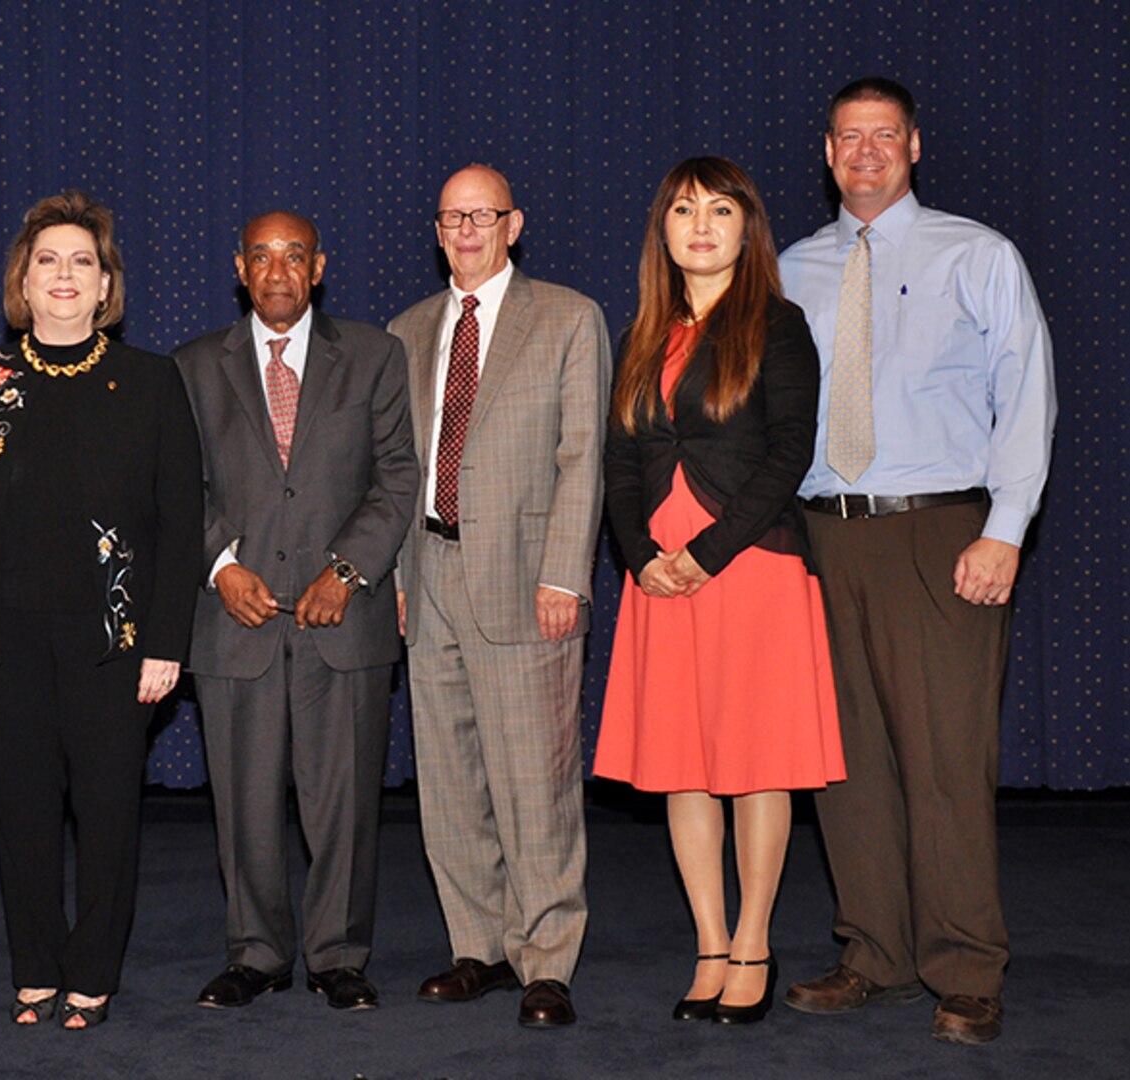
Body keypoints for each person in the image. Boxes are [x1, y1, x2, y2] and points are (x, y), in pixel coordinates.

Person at [780, 77, 1056, 1045]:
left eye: (882, 136)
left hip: (942, 533)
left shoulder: (975, 255)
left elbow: (1026, 394)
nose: (864, 152)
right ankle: (875, 955)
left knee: (944, 762)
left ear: (914, 145)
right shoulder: (790, 268)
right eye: (847, 138)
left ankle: (965, 966)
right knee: (844, 763)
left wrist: (1005, 529)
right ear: (825, 153)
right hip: (820, 537)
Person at [0, 191, 202, 1031]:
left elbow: (181, 521)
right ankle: (33, 968)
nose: (64, 274)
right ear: (23, 278)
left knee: (110, 815)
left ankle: (92, 973)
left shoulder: (152, 380)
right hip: (4, 642)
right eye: (47, 259)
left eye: (82, 260)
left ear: (105, 284)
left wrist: (165, 643)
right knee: (21, 815)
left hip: (114, 644)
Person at [595, 156, 845, 1026]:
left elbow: (788, 455)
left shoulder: (778, 325)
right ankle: (707, 943)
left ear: (748, 228)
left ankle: (753, 942)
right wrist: (637, 555)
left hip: (749, 569)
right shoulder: (642, 335)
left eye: (720, 209)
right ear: (661, 231)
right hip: (659, 580)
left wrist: (705, 552)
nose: (700, 225)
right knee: (683, 771)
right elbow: (620, 461)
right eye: (683, 211)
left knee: (753, 765)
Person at [175, 211, 418, 1013]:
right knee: (242, 802)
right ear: (238, 269)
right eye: (260, 257)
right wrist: (220, 566)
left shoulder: (377, 355)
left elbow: (396, 477)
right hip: (233, 621)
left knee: (343, 800)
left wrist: (345, 572)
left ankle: (338, 956)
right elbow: (177, 488)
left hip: (341, 621)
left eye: (294, 256)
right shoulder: (190, 367)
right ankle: (256, 953)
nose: (277, 271)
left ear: (318, 268)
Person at [389, 165, 610, 1028]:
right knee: (448, 778)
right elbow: (400, 469)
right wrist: (403, 581)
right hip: (431, 572)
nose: (466, 230)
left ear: (513, 223)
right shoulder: (407, 331)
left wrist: (564, 572)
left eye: (481, 215)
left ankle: (546, 958)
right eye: (450, 218)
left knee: (535, 778)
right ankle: (476, 947)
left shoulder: (565, 317)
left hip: (526, 578)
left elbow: (581, 454)